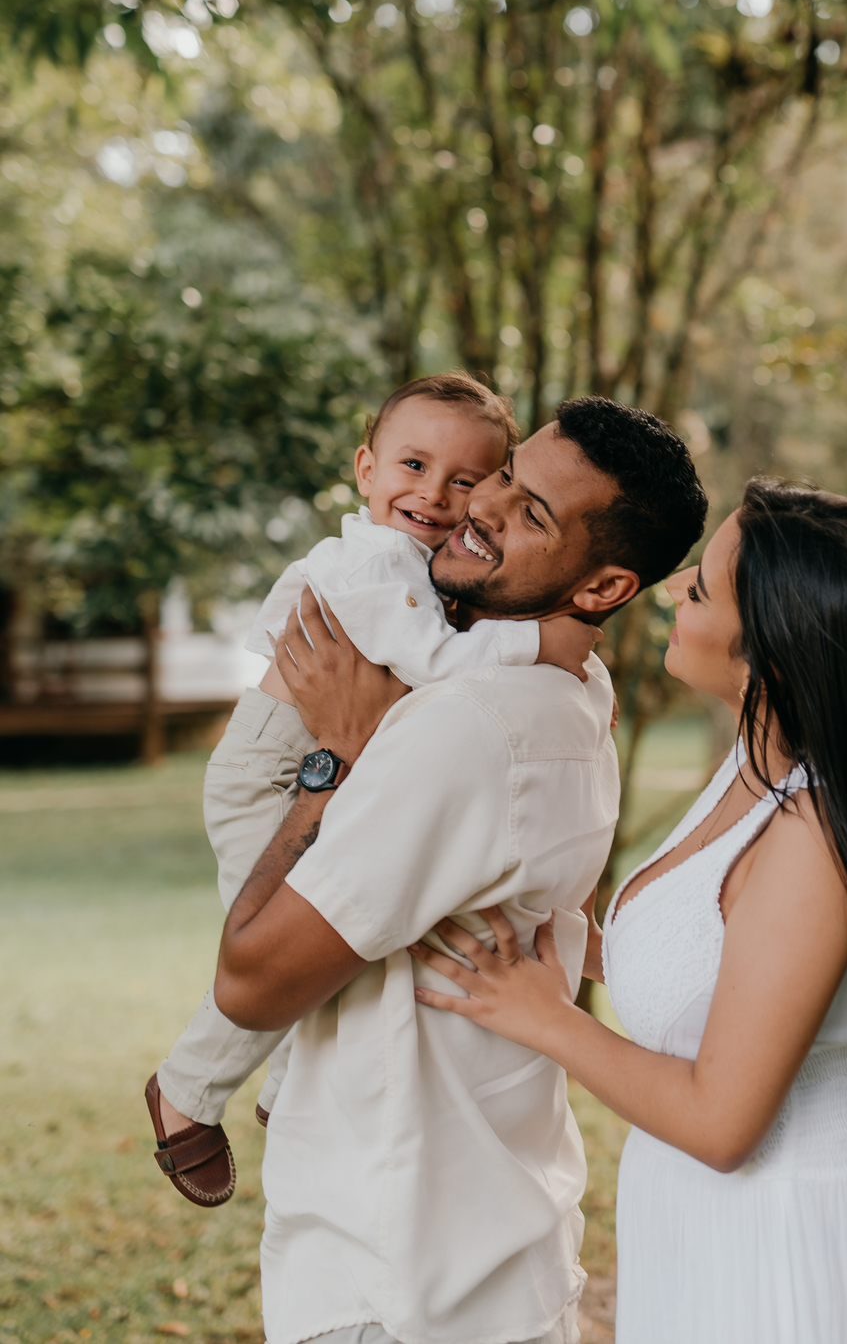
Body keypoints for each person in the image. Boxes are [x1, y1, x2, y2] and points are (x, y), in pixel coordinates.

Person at [412, 479, 847, 1344]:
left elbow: (722, 1122)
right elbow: (715, 965)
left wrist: (544, 1018)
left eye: (702, 589)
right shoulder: (757, 768)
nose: (672, 588)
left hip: (793, 1250)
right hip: (713, 1235)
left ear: (771, 658)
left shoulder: (812, 837)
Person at [210, 397, 708, 1344]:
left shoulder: (466, 724)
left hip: (390, 1280)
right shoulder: (578, 691)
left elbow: (251, 981)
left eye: (532, 514)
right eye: (508, 476)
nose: (480, 505)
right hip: (505, 1254)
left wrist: (335, 760)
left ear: (605, 586)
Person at [145, 373, 594, 1209]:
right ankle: (184, 1094)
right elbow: (429, 662)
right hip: (268, 778)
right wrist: (541, 645)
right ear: (365, 469)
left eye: (464, 479)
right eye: (413, 465)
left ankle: (288, 1092)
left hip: (321, 769)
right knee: (274, 950)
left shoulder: (425, 565)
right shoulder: (373, 562)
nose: (433, 493)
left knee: (323, 943)